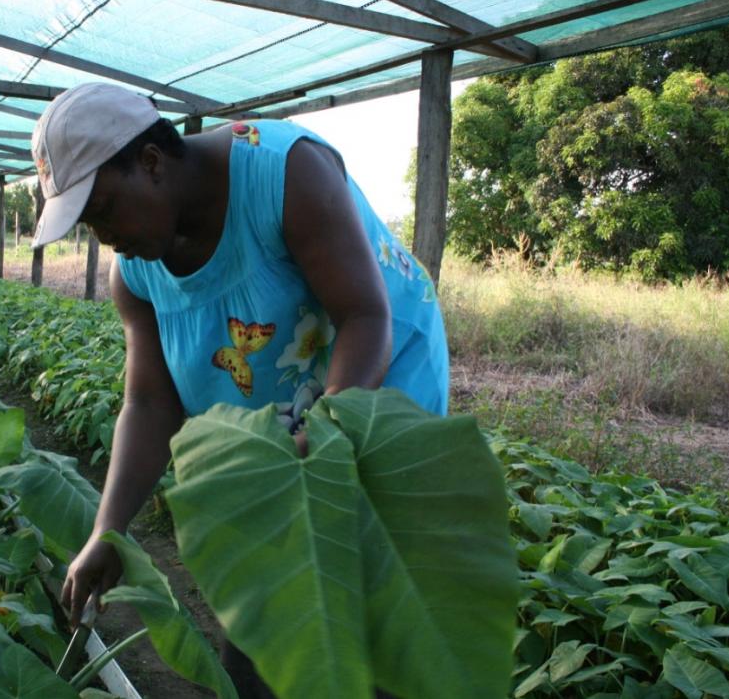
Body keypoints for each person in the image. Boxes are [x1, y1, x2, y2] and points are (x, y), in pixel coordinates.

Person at [31, 82, 448, 697]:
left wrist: (323, 437)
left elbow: (365, 317)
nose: (103, 238)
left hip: (376, 372)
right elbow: (150, 403)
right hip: (277, 405)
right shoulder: (137, 270)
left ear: (149, 163)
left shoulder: (285, 173)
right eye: (86, 224)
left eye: (103, 212)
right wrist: (108, 530)